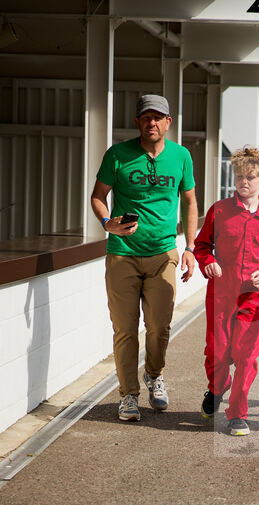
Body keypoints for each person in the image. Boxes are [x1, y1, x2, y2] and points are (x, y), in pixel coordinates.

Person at [90, 94, 198, 422]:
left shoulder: (181, 156)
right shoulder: (118, 155)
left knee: (159, 327)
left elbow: (190, 202)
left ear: (168, 122)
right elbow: (98, 196)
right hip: (122, 255)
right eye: (145, 117)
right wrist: (108, 223)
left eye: (158, 117)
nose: (151, 123)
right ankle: (128, 395)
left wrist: (190, 248)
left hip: (163, 253)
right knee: (124, 329)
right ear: (137, 122)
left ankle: (154, 373)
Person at [194, 147, 259, 437]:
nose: (243, 182)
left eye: (250, 177)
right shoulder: (219, 211)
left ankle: (237, 415)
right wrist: (208, 262)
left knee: (247, 357)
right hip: (221, 294)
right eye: (239, 176)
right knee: (218, 354)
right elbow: (202, 246)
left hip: (252, 298)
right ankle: (217, 388)